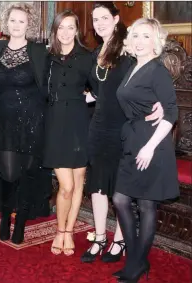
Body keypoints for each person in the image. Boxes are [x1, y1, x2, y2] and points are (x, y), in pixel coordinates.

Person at [81, 2, 164, 264]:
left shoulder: (129, 49)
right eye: (96, 19)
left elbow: (150, 72)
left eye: (105, 18)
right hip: (98, 126)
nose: (100, 23)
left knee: (119, 187)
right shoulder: (96, 53)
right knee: (97, 186)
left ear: (116, 19)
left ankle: (119, 240)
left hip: (123, 128)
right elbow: (95, 92)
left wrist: (161, 101)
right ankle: (99, 237)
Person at [112, 18, 179, 282]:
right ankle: (137, 260)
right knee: (120, 199)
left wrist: (150, 147)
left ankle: (137, 264)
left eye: (146, 37)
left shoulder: (156, 70)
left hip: (152, 144)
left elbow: (171, 111)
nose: (140, 41)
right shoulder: (132, 66)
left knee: (146, 204)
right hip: (133, 140)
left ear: (156, 42)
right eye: (136, 36)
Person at [0, 2, 51, 245]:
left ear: (29, 25)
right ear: (6, 23)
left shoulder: (39, 51)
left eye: (21, 21)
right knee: (8, 174)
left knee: (28, 174)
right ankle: (6, 216)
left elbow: (52, 80)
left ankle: (21, 223)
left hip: (32, 120)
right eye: (13, 20)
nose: (16, 25)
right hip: (4, 120)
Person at [43, 10, 93, 256]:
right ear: (55, 30)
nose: (65, 32)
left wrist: (90, 97)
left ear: (77, 30)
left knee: (78, 181)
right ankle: (59, 230)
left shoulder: (87, 57)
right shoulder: (47, 57)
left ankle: (69, 231)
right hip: (54, 125)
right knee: (66, 185)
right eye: (60, 27)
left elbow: (102, 86)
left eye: (70, 27)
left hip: (79, 123)